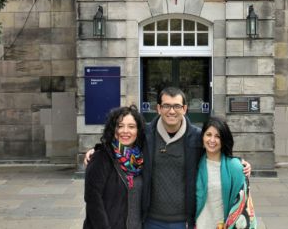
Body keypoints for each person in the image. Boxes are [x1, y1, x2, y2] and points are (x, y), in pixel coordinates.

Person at [84, 87, 252, 228]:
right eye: (166, 106)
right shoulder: (145, 134)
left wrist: (237, 162)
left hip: (183, 221)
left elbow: (215, 149)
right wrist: (97, 150)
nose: (172, 111)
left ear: (185, 109)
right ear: (158, 108)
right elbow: (122, 142)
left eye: (177, 106)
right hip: (150, 220)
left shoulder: (196, 137)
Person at [83, 105, 145, 229]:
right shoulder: (101, 157)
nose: (125, 131)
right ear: (113, 129)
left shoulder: (142, 158)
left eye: (131, 126)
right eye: (120, 126)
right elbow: (93, 201)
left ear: (138, 130)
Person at [196, 116, 257, 229]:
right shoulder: (195, 164)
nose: (212, 140)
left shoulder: (235, 166)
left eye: (217, 136)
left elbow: (242, 204)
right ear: (202, 138)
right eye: (208, 135)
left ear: (223, 140)